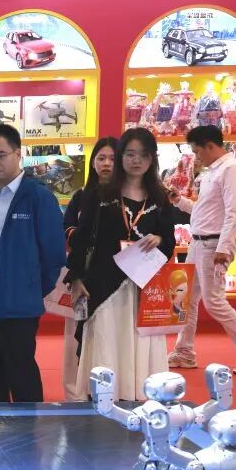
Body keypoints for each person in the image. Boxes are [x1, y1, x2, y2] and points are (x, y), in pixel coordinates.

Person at [67, 129, 176, 401]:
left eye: (143, 155)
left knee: (140, 343)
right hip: (104, 285)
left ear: (152, 159)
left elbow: (170, 242)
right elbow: (81, 238)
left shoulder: (160, 198)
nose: (136, 160)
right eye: (129, 154)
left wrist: (160, 238)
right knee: (106, 341)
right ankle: (105, 399)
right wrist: (76, 277)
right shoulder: (100, 194)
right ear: (121, 156)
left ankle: (139, 396)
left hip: (144, 289)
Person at [0, 124, 65, 402]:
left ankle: (29, 427)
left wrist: (31, 288)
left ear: (18, 154)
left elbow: (54, 254)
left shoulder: (38, 196)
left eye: (1, 155)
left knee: (20, 369)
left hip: (18, 295)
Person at [167, 125, 236, 375]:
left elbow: (234, 212)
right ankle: (184, 351)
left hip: (213, 245)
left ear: (210, 146)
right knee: (185, 299)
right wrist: (179, 201)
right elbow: (203, 212)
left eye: (197, 151)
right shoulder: (213, 172)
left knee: (214, 302)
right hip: (198, 243)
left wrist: (224, 246)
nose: (196, 157)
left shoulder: (232, 169)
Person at [60, 136, 116, 401]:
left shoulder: (128, 196)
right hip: (81, 275)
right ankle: (75, 395)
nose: (106, 164)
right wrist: (83, 238)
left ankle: (110, 394)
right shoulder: (81, 196)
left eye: (112, 159)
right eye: (101, 158)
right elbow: (67, 227)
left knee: (109, 339)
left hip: (115, 280)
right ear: (93, 162)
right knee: (75, 337)